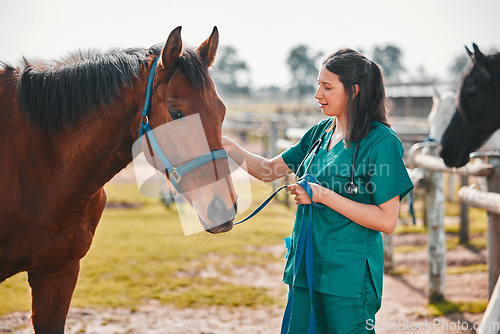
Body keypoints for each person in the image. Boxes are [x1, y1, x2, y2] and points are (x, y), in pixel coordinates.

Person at [222, 48, 414, 333]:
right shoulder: (319, 132)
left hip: (348, 279)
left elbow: (387, 220)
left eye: (327, 87)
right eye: (318, 85)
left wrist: (322, 195)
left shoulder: (381, 142)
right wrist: (227, 146)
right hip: (305, 269)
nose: (317, 94)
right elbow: (267, 170)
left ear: (354, 91)